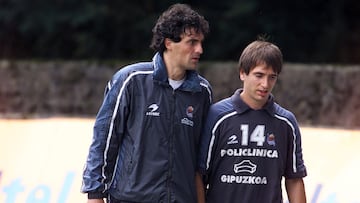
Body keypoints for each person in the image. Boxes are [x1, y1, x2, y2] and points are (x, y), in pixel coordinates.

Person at [81, 3, 212, 203]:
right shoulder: (131, 80)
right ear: (169, 42)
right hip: (131, 198)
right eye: (192, 42)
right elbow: (104, 141)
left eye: (201, 43)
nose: (199, 49)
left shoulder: (202, 91)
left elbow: (202, 159)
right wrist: (95, 194)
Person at [197, 40, 307, 203]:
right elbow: (199, 174)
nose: (265, 84)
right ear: (242, 73)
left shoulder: (286, 123)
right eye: (259, 75)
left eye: (272, 77)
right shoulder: (217, 116)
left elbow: (294, 179)